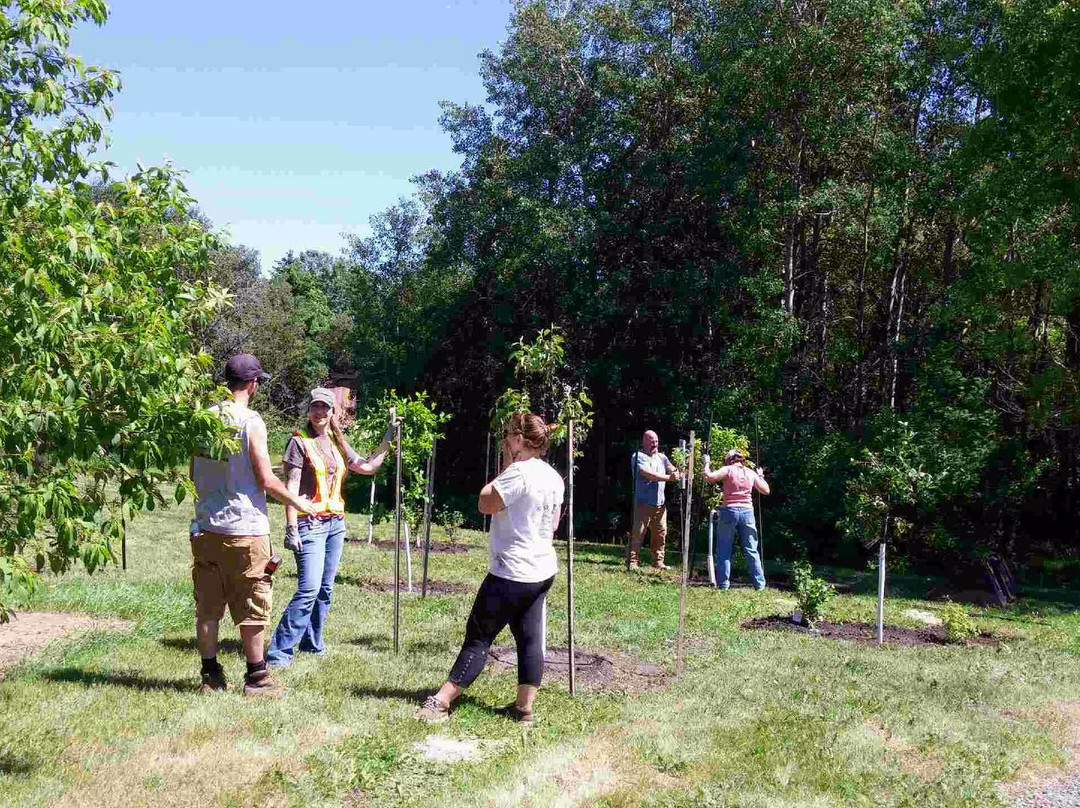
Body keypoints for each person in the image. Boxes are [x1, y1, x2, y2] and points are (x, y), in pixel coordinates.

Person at [415, 413, 564, 726]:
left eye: (509, 435)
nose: (505, 439)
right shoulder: (553, 477)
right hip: (542, 570)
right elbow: (553, 524)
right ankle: (524, 709)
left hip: (511, 571)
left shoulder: (517, 473)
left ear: (520, 440)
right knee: (530, 638)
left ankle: (441, 700)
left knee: (479, 637)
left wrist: (506, 466)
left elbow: (485, 504)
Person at [189, 354, 317, 697]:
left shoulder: (202, 419)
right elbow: (265, 479)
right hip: (244, 529)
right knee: (252, 605)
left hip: (205, 527)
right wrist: (299, 501)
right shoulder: (250, 421)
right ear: (253, 384)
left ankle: (210, 677)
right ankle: (258, 679)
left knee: (208, 606)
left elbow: (192, 474)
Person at [266, 388, 398, 668]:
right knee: (309, 589)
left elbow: (368, 467)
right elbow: (290, 487)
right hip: (309, 524)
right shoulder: (298, 442)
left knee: (325, 589)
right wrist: (291, 527)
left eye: (325, 408)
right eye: (315, 407)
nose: (320, 412)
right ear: (309, 410)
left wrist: (389, 436)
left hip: (336, 525)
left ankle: (312, 644)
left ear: (333, 412)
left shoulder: (338, 441)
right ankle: (279, 652)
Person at [702, 449, 770, 590]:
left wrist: (706, 462)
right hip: (747, 512)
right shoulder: (751, 473)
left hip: (729, 511)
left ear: (729, 459)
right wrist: (761, 476)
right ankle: (760, 585)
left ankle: (724, 584)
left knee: (724, 549)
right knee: (752, 550)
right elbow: (766, 490)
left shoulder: (728, 469)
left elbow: (708, 477)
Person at [629, 430, 680, 570]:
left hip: (660, 504)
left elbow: (672, 469)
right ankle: (632, 562)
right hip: (643, 503)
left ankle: (658, 562)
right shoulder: (638, 456)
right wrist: (670, 478)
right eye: (652, 442)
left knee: (661, 533)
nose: (655, 444)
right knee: (638, 533)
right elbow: (649, 475)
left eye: (656, 441)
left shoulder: (662, 457)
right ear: (644, 441)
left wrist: (677, 471)